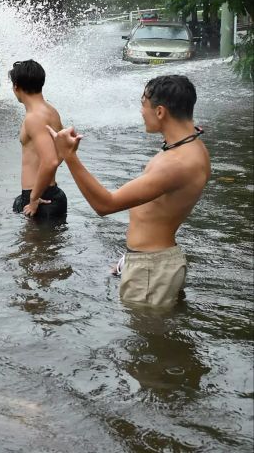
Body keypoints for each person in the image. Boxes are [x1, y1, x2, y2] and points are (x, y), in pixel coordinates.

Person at [47, 75, 210, 307]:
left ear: (160, 112)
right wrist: (129, 259)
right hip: (154, 262)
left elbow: (105, 205)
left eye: (143, 104)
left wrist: (69, 156)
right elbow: (155, 210)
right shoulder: (193, 146)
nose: (141, 111)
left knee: (148, 339)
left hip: (152, 269)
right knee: (160, 338)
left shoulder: (177, 164)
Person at [9, 60, 67, 220]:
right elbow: (66, 147)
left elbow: (50, 161)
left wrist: (34, 198)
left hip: (40, 199)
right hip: (48, 194)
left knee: (32, 245)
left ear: (16, 86)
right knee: (48, 244)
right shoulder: (51, 110)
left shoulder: (34, 117)